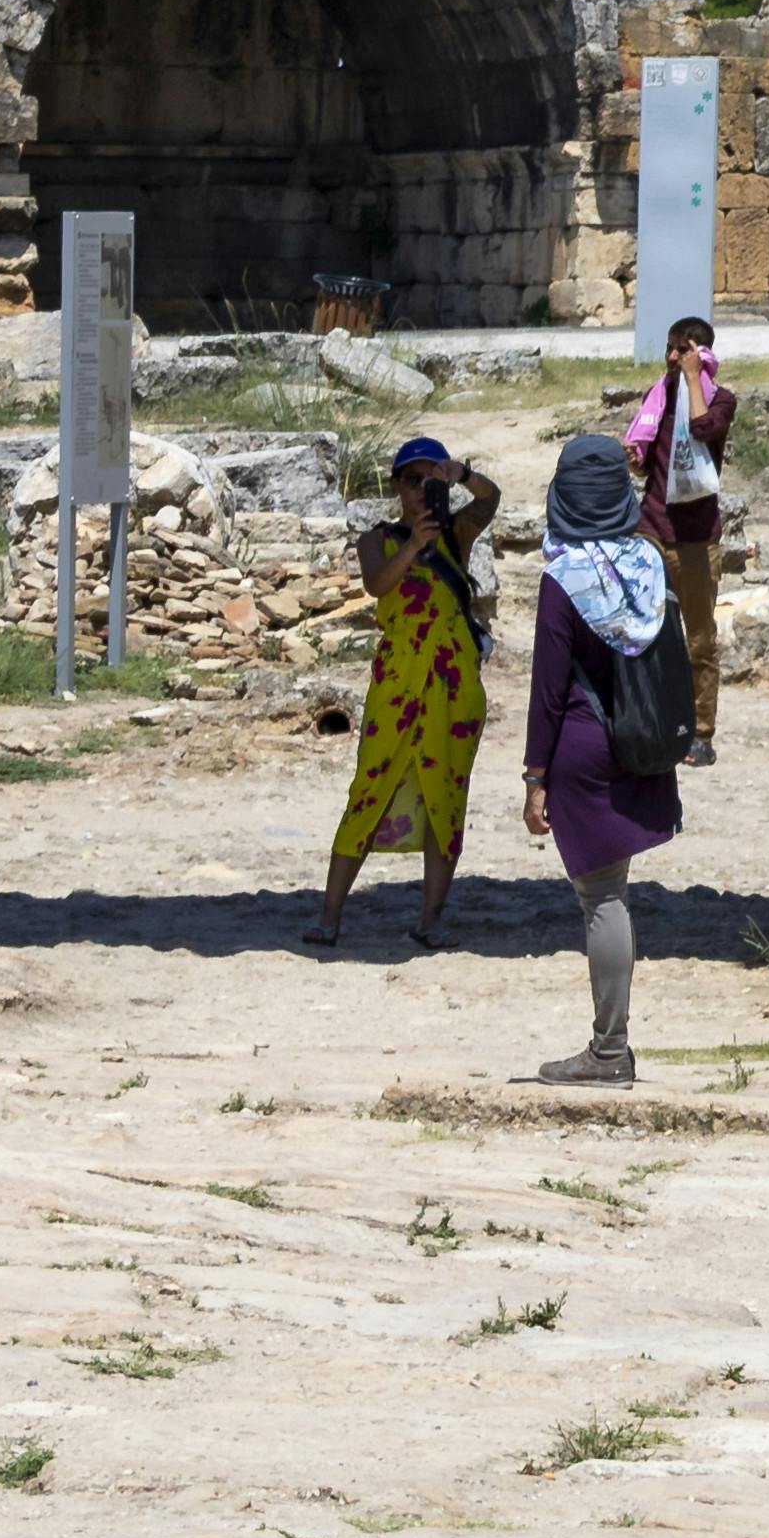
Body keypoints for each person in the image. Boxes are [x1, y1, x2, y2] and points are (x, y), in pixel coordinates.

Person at [515, 431, 687, 1075]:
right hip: (644, 740)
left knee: (603, 900)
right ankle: (610, 1046)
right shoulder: (650, 564)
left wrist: (535, 777)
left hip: (583, 750)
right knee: (615, 892)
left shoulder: (563, 578)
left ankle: (610, 1050)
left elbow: (547, 690)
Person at [310, 435, 500, 953]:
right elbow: (377, 585)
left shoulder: (458, 534)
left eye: (428, 480)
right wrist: (415, 543)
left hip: (452, 685)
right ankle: (330, 916)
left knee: (446, 796)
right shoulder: (378, 539)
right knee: (369, 789)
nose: (421, 490)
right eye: (412, 480)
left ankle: (431, 918)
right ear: (396, 486)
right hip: (396, 685)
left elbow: (491, 500)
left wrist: (459, 475)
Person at [622, 318, 736, 759]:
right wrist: (636, 455)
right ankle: (647, 720)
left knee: (699, 639)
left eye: (681, 349)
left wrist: (692, 379)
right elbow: (647, 460)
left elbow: (705, 431)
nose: (671, 357)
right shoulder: (658, 397)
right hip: (652, 528)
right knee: (641, 631)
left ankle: (701, 731)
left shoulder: (720, 400)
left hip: (696, 539)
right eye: (669, 348)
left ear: (700, 353)